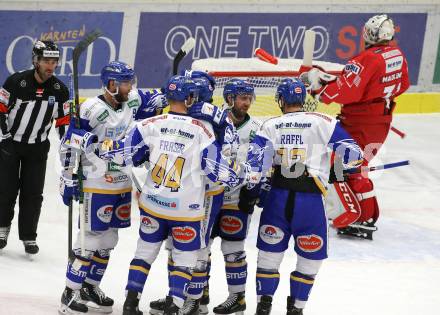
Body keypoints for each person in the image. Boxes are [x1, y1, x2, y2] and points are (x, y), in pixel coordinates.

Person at [63, 74, 256, 315]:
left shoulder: (149, 124)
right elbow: (220, 170)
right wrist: (245, 175)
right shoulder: (204, 129)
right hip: (187, 208)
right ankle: (178, 305)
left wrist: (94, 144)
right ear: (190, 98)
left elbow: (125, 153)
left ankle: (131, 302)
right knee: (187, 258)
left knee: (141, 253)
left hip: (153, 203)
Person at [247, 78, 363, 315]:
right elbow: (354, 155)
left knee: (269, 256)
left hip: (277, 199)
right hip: (309, 203)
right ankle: (296, 309)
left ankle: (263, 306)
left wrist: (254, 193)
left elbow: (254, 165)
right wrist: (337, 171)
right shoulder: (324, 121)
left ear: (281, 100)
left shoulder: (270, 124)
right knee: (309, 258)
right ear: (303, 99)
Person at [58, 61, 164, 314]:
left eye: (131, 81)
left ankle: (90, 286)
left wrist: (165, 96)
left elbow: (161, 95)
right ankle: (69, 294)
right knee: (89, 241)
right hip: (96, 183)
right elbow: (68, 142)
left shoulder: (132, 100)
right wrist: (68, 177)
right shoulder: (90, 109)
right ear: (111, 85)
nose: (131, 86)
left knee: (109, 240)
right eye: (126, 82)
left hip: (122, 182)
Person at [300, 14, 410, 239]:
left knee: (342, 167)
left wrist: (318, 90)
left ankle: (355, 216)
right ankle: (366, 216)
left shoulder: (366, 59)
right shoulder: (396, 54)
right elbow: (402, 84)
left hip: (359, 122)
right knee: (357, 165)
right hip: (381, 119)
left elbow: (348, 91)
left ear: (369, 34)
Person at [0, 40, 69, 254]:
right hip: (11, 144)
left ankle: (29, 236)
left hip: (38, 147)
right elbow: (1, 110)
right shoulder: (16, 82)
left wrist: (68, 148)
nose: (50, 65)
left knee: (33, 193)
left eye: (54, 61)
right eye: (46, 61)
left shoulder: (59, 90)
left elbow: (63, 122)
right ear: (36, 61)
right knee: (6, 190)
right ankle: (2, 229)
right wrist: (5, 138)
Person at [209, 79, 261, 315]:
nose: (247, 103)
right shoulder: (214, 123)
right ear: (230, 99)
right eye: (243, 98)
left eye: (249, 98)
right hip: (209, 195)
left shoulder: (257, 129)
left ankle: (237, 298)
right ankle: (198, 295)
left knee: (233, 250)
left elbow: (262, 163)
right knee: (201, 249)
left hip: (236, 199)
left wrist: (253, 193)